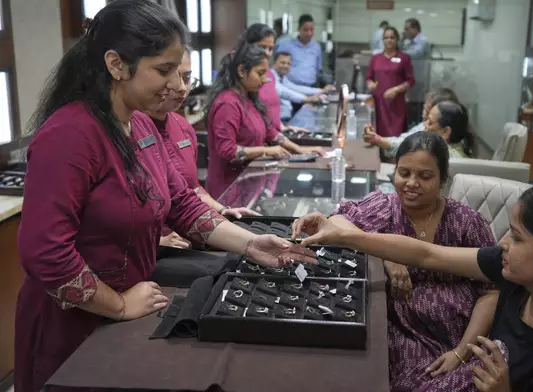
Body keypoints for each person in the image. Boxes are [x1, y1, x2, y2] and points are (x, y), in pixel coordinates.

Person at [15, 2, 317, 391]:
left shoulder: (139, 123)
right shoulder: (70, 135)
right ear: (116, 65)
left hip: (130, 306)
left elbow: (181, 203)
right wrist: (118, 305)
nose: (178, 84)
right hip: (74, 321)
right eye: (164, 70)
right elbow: (46, 254)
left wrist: (251, 244)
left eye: (180, 70)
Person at [293, 186, 533, 392]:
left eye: (517, 237)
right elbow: (429, 254)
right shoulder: (520, 277)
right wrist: (346, 235)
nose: (502, 243)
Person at [327, 131, 498, 391]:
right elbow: (337, 222)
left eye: (425, 176)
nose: (411, 183)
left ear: (443, 181)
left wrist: (461, 352)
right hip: (405, 335)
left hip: (463, 337)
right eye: (404, 173)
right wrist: (384, 253)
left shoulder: (466, 222)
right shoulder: (384, 208)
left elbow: (491, 291)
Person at [144, 48, 260, 249]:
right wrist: (157, 241)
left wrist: (221, 210)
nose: (181, 87)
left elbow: (192, 188)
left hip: (193, 237)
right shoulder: (131, 129)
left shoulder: (183, 127)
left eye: (187, 78)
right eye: (168, 75)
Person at [205, 41, 325, 199]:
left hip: (248, 182)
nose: (265, 80)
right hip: (228, 189)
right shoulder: (228, 104)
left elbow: (270, 132)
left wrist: (299, 150)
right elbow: (227, 150)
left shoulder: (248, 98)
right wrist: (266, 150)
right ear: (242, 70)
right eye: (260, 73)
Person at [245, 23, 310, 134]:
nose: (267, 53)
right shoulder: (243, 75)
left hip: (272, 134)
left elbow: (268, 110)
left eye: (270, 49)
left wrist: (281, 126)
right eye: (262, 47)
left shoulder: (269, 75)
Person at [365, 87, 458, 157]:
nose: (424, 114)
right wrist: (377, 139)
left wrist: (379, 140)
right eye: (424, 108)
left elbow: (406, 146)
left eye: (427, 110)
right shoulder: (425, 127)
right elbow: (406, 141)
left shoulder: (449, 153)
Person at [366, 26, 415, 138]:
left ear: (397, 39)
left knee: (395, 138)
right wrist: (370, 84)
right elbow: (369, 77)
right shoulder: (376, 58)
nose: (389, 40)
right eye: (386, 38)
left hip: (396, 106)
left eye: (392, 37)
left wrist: (395, 89)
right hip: (379, 105)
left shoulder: (404, 58)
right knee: (378, 138)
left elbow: (410, 81)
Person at [272, 51, 334, 121]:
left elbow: (295, 88)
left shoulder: (282, 78)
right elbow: (282, 91)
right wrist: (306, 99)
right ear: (274, 63)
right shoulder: (271, 77)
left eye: (288, 64)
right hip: (278, 120)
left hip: (285, 117)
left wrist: (321, 91)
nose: (286, 66)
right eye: (282, 63)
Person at [275, 14, 322, 87]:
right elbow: (277, 67)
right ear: (298, 29)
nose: (309, 33)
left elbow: (318, 69)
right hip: (290, 86)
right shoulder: (286, 45)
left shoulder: (316, 47)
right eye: (305, 30)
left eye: (311, 29)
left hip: (311, 86)